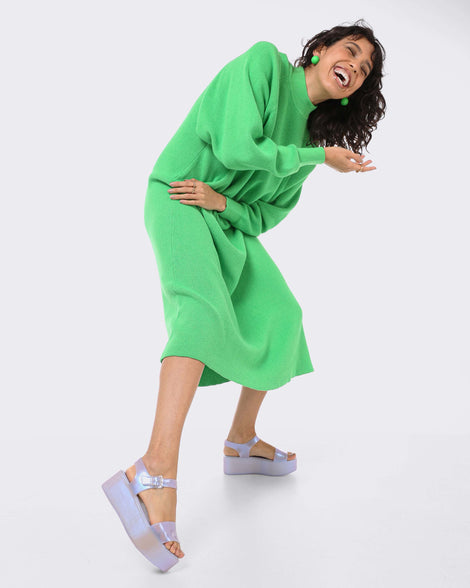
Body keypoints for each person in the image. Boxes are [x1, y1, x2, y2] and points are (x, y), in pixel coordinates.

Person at [102, 19, 387, 572]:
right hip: (179, 197)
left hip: (219, 218)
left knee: (282, 314)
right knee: (202, 317)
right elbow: (236, 146)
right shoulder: (263, 65)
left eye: (366, 67)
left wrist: (227, 203)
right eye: (350, 50)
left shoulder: (308, 139)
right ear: (321, 50)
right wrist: (317, 159)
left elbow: (262, 214)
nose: (356, 64)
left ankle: (240, 442)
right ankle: (153, 472)